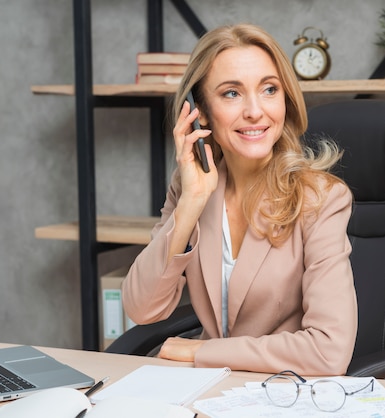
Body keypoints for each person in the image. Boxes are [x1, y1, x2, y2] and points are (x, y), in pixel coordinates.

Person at [122, 23, 357, 376]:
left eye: (269, 89)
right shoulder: (193, 186)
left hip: (283, 393)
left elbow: (328, 351)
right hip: (208, 390)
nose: (254, 111)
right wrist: (191, 202)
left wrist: (202, 353)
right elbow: (142, 309)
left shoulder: (320, 199)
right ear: (198, 111)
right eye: (232, 93)